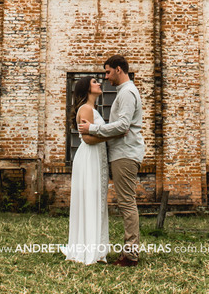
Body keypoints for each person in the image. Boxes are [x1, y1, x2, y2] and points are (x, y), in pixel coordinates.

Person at [79, 54, 144, 267]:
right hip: (121, 152)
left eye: (108, 72)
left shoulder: (127, 93)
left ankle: (131, 255)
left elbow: (123, 125)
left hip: (125, 154)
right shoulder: (123, 92)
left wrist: (93, 128)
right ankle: (129, 252)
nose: (106, 77)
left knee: (126, 202)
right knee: (125, 202)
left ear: (118, 69)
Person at [62, 76, 110, 265]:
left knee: (97, 199)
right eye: (94, 82)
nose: (99, 83)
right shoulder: (86, 109)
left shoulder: (92, 109)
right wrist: (112, 135)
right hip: (90, 156)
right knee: (91, 199)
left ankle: (96, 247)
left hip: (97, 156)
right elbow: (88, 138)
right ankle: (87, 248)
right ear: (86, 88)